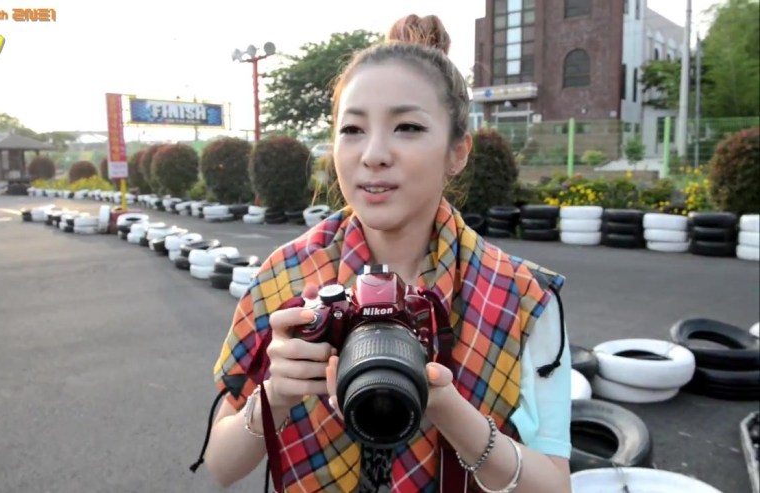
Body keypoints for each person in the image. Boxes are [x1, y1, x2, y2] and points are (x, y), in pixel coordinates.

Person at [191, 13, 572, 493]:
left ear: (457, 151)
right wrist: (276, 395)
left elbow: (555, 486)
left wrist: (447, 407)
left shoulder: (521, 297)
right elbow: (221, 466)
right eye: (352, 129)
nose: (372, 154)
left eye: (407, 127)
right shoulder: (285, 277)